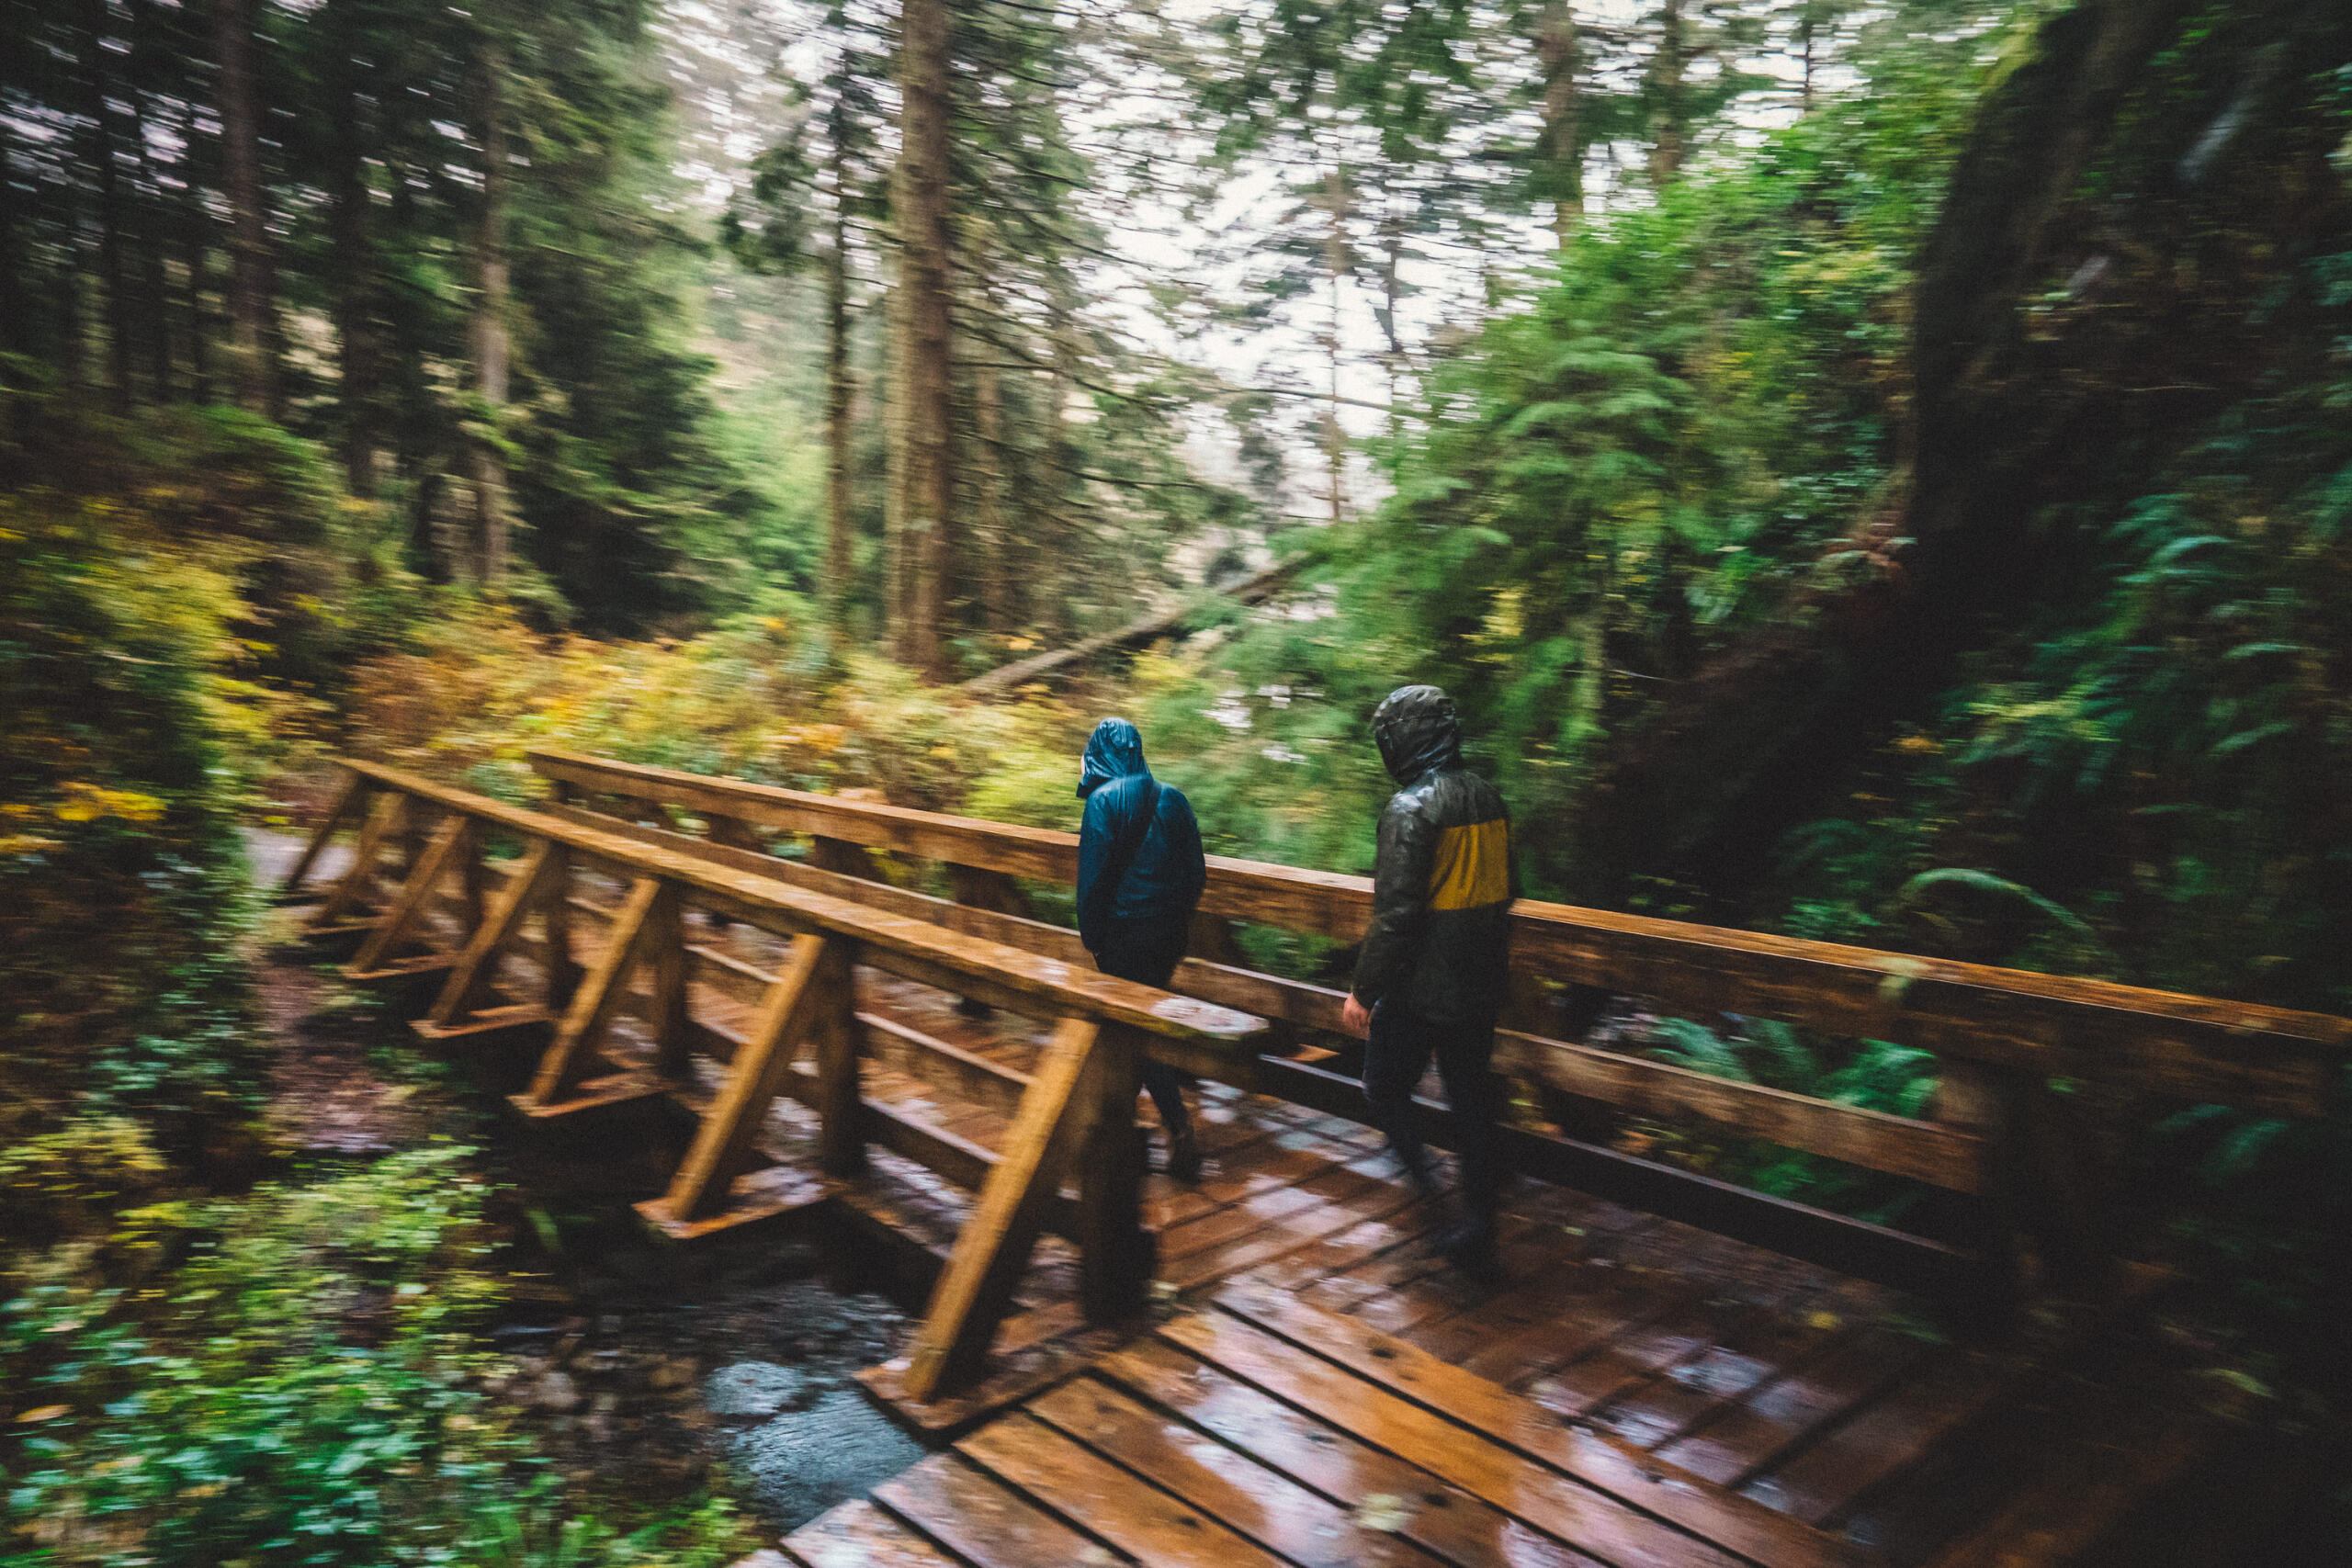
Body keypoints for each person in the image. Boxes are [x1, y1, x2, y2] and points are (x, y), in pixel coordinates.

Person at [1340, 684, 1515, 1275]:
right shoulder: (1489, 797)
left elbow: (1396, 914)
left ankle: (1432, 1197)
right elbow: (1509, 889)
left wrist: (1363, 991)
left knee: (1383, 1088)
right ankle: (1479, 1231)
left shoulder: (1409, 809)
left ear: (1405, 740)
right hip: (1480, 982)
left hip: (1419, 987)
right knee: (1470, 1104)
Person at [1075, 716, 1208, 1182]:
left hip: (1124, 937)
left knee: (1134, 1032)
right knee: (1136, 1025)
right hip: (1168, 937)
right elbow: (1196, 873)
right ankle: (1125, 1132)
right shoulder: (1174, 798)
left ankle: (1176, 1128)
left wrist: (1094, 938)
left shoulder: (1102, 802)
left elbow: (1092, 883)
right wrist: (1174, 919)